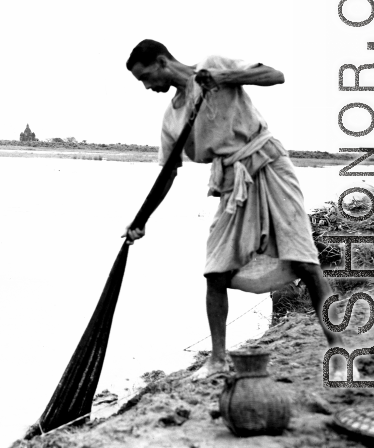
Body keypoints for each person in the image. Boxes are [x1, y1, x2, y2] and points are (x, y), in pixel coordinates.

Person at [121, 38, 345, 380]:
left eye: (146, 76)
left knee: (306, 263)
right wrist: (141, 221)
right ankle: (218, 358)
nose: (147, 86)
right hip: (231, 185)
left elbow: (275, 75)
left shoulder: (214, 64)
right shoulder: (173, 117)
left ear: (163, 61)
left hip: (270, 166)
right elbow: (167, 174)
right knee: (215, 271)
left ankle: (339, 348)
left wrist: (223, 79)